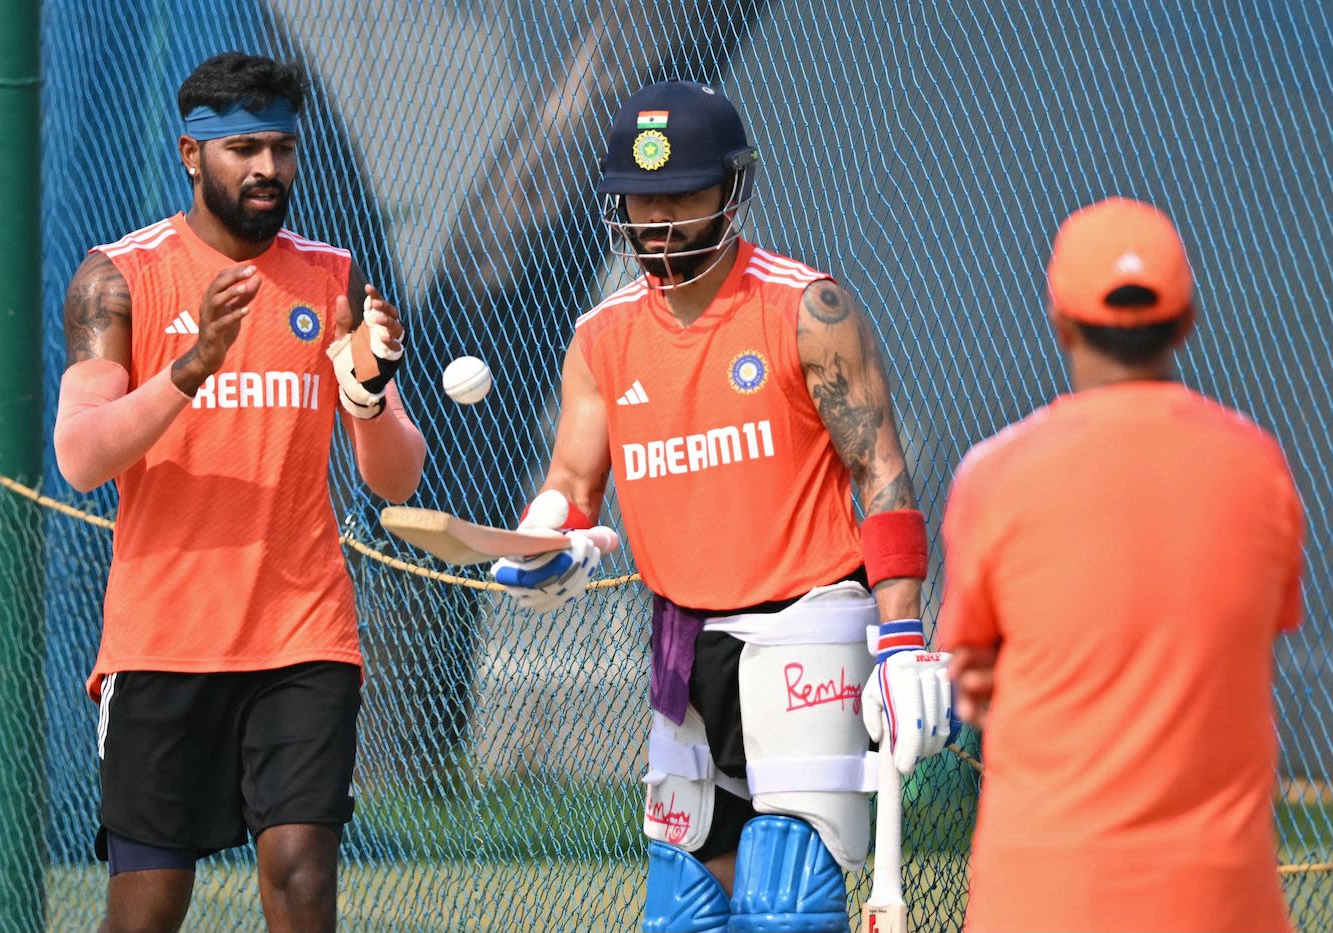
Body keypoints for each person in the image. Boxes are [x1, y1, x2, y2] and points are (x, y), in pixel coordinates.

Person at [489, 80, 955, 933]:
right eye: (643, 200)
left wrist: (899, 644)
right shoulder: (601, 337)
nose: (659, 222)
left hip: (806, 627)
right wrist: (546, 532)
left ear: (733, 191)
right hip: (681, 640)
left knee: (785, 908)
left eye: (684, 196)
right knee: (685, 913)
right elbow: (572, 480)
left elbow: (883, 475)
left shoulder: (808, 309)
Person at [53, 52, 426, 933]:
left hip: (302, 631)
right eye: (244, 149)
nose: (268, 169)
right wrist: (190, 368)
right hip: (163, 638)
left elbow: (394, 475)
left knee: (299, 876)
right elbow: (80, 455)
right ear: (192, 153)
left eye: (283, 149)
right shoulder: (117, 278)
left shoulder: (334, 280)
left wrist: (368, 395)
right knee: (148, 908)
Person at [941, 197, 1305, 932]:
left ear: (1060, 321)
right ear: (1188, 319)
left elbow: (968, 665)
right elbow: (1263, 625)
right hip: (1221, 901)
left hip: (1043, 897)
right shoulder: (1259, 467)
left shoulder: (998, 474)